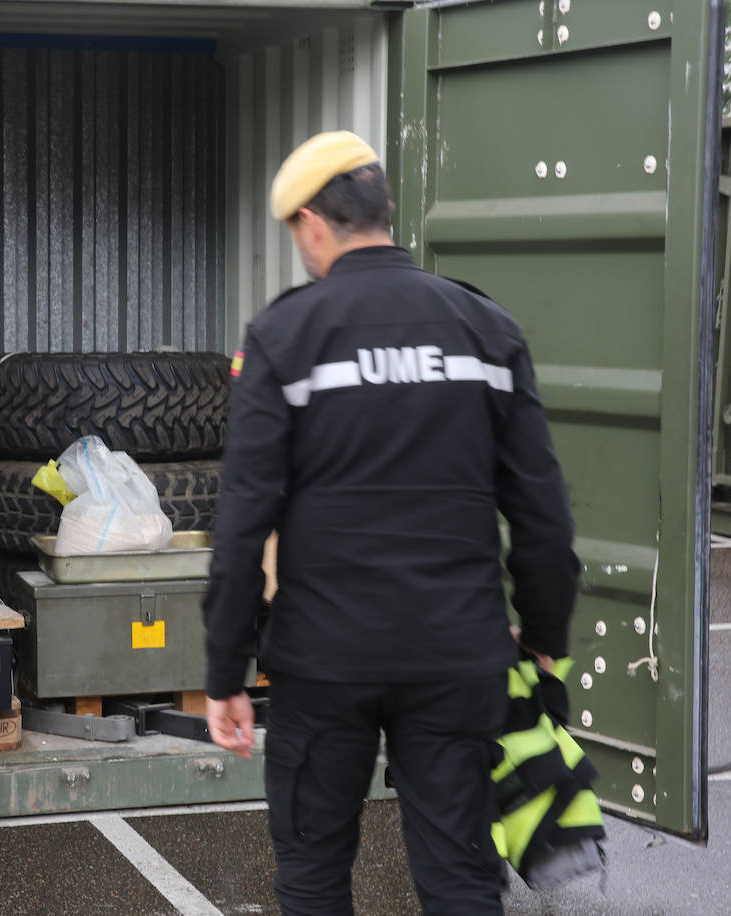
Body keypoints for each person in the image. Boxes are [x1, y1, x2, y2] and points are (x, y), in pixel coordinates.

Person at [202, 132, 579, 915]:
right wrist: (544, 639)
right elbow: (542, 512)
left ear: (311, 223)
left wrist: (224, 672)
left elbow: (243, 521)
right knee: (461, 878)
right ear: (386, 211)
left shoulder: (285, 338)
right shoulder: (486, 330)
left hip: (323, 660)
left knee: (312, 874)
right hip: (458, 656)